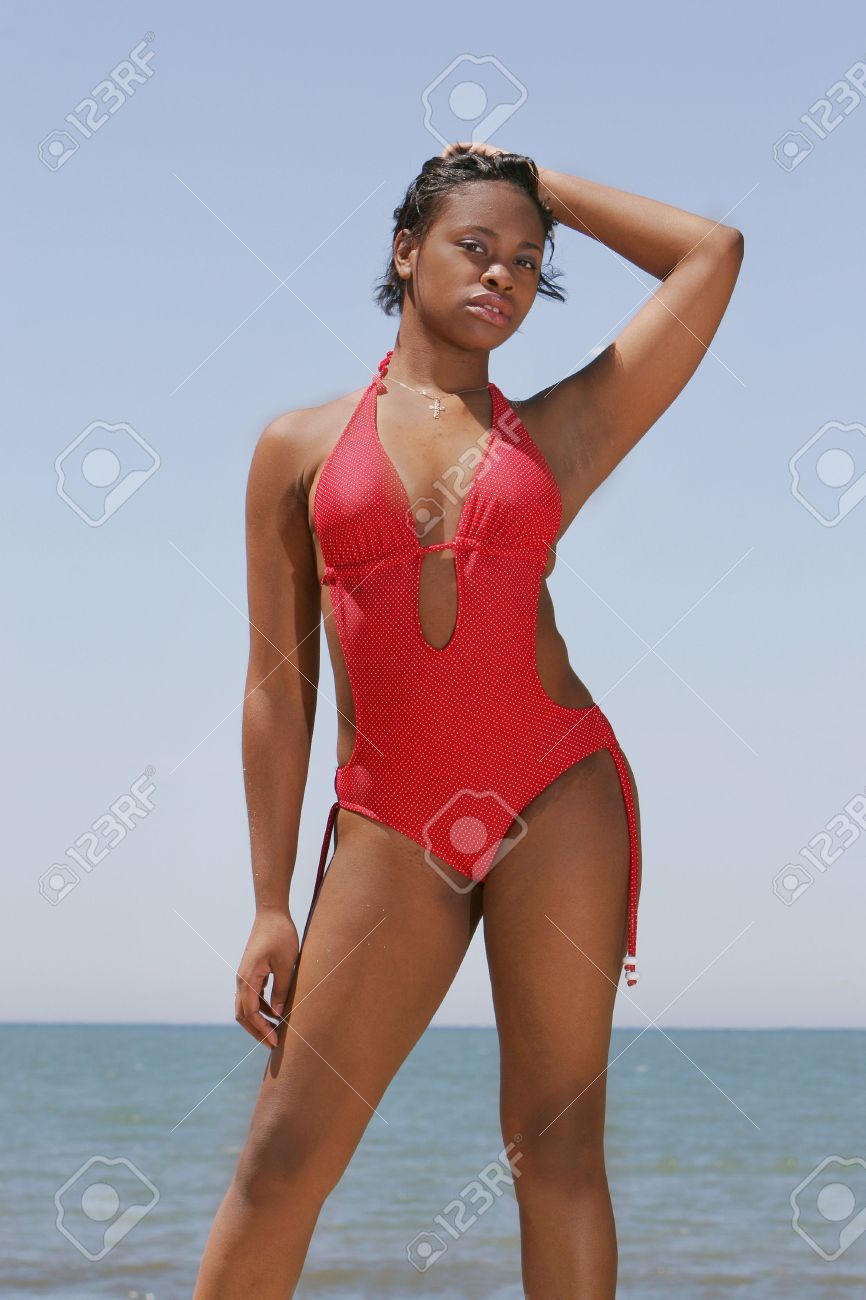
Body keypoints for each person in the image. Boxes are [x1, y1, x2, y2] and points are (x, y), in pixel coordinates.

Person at [192, 143, 744, 1298]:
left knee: (556, 1147)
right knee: (282, 1157)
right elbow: (275, 683)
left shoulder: (558, 432)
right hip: (390, 822)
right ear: (404, 252)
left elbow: (709, 254)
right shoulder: (297, 447)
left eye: (527, 261)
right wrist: (264, 902)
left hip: (555, 791)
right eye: (474, 245)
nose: (502, 274)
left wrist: (545, 186)